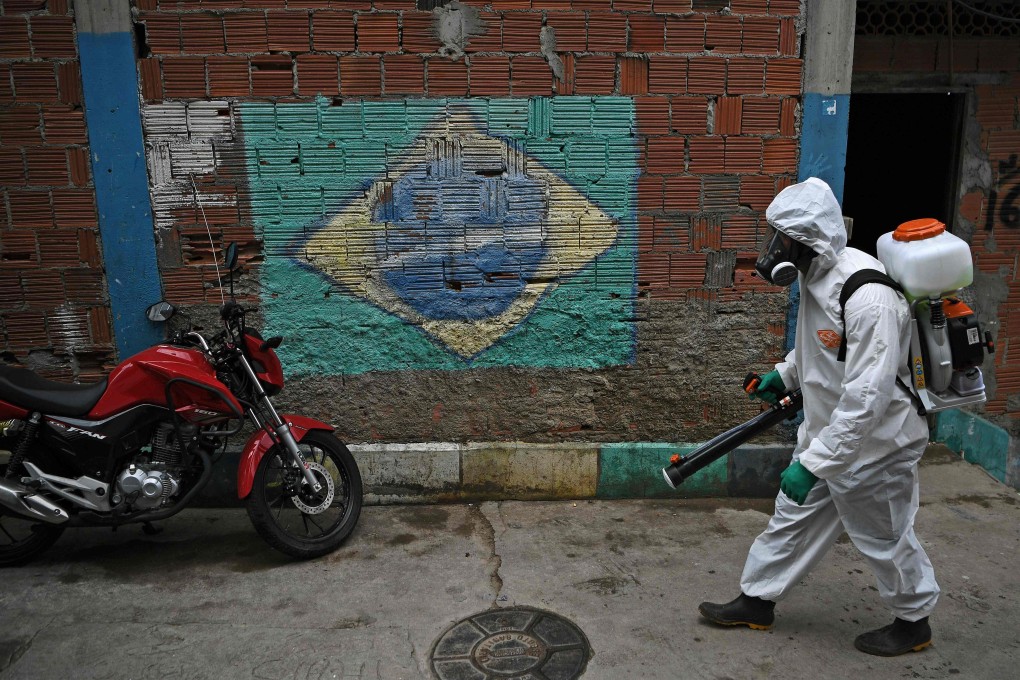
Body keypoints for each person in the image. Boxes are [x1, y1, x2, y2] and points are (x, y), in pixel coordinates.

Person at [698, 178, 939, 657]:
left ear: (807, 240)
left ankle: (914, 621)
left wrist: (813, 463)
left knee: (884, 535)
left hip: (877, 445)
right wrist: (785, 375)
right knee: (791, 518)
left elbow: (867, 395)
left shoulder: (868, 295)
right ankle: (756, 601)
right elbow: (823, 347)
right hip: (832, 435)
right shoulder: (815, 276)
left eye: (782, 239)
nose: (773, 249)